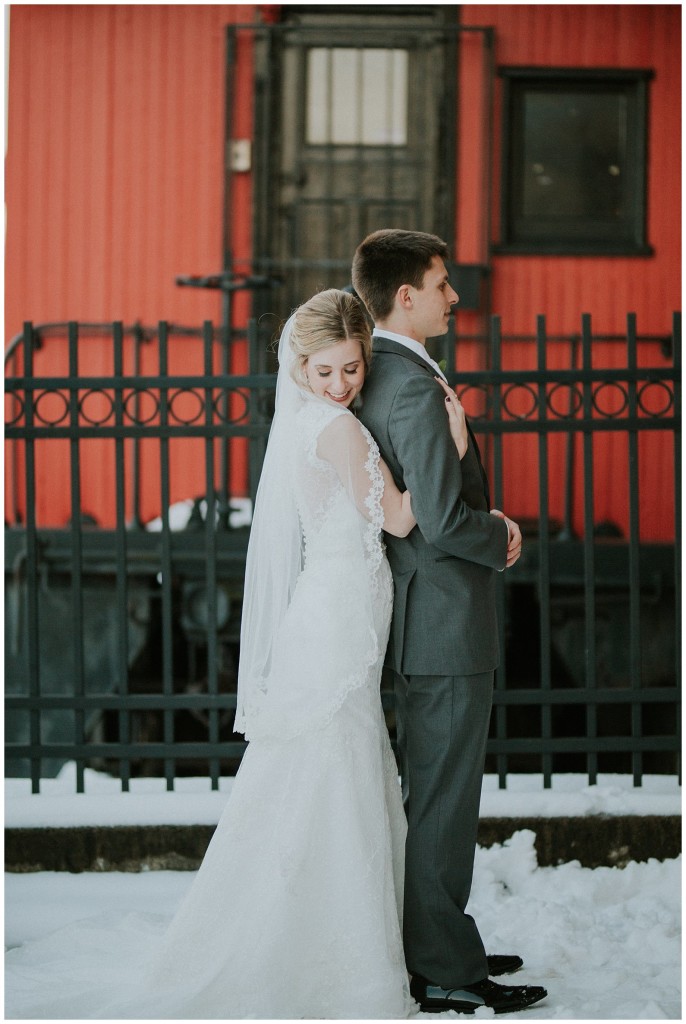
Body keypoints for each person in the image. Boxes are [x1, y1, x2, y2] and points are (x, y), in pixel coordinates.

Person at [4, 288, 466, 1021]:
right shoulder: (339, 431)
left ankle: (303, 930)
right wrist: (455, 441)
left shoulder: (310, 423)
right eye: (326, 371)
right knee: (336, 774)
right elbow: (406, 516)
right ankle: (327, 951)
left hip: (331, 607)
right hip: (342, 617)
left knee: (321, 775)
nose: (342, 384)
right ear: (299, 364)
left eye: (351, 369)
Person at [352, 228, 548, 1015]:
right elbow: (437, 518)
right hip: (442, 621)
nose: (454, 297)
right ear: (407, 296)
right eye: (442, 284)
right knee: (442, 800)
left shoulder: (393, 374)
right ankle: (442, 969)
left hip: (427, 619)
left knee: (432, 793)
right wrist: (499, 533)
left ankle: (441, 940)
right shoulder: (407, 385)